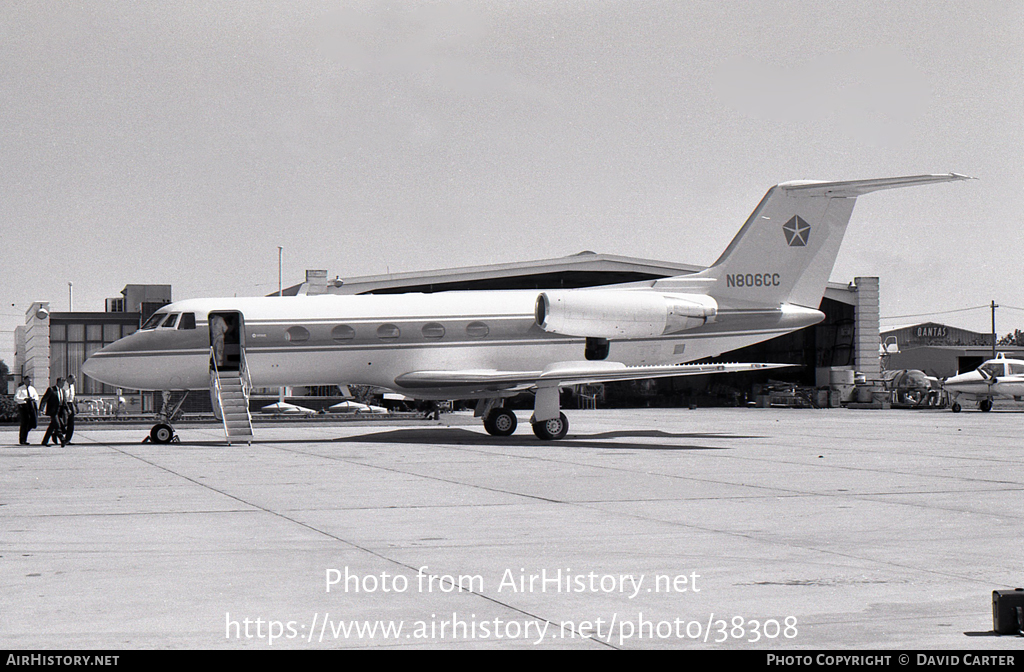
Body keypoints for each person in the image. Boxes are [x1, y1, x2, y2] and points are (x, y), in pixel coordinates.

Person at [40, 378, 66, 447]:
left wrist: (67, 410)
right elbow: (44, 399)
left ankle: (45, 441)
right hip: (53, 411)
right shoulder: (51, 390)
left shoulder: (63, 391)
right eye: (62, 383)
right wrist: (41, 409)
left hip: (60, 411)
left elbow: (64, 402)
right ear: (59, 382)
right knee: (57, 425)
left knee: (52, 427)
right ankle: (62, 439)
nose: (63, 385)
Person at [14, 376, 39, 445]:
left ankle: (25, 432)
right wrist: (24, 399)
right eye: (28, 381)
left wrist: (33, 398)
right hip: (23, 406)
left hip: (31, 406)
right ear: (24, 381)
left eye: (30, 381)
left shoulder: (32, 389)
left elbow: (36, 396)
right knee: (24, 423)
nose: (29, 382)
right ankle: (22, 439)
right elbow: (16, 398)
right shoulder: (20, 389)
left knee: (33, 422)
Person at [61, 374, 77, 444]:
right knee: (64, 422)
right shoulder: (63, 385)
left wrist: (75, 406)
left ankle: (67, 440)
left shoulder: (72, 386)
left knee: (71, 424)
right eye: (72, 381)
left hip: (70, 404)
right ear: (69, 378)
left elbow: (72, 397)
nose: (73, 383)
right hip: (64, 404)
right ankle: (56, 433)